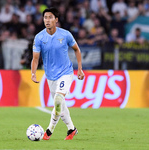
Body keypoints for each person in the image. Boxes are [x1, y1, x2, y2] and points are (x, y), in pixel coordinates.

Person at [31, 7, 84, 140]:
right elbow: (35, 58)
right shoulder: (39, 37)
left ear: (56, 20)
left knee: (58, 100)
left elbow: (77, 50)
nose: (47, 20)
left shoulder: (65, 35)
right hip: (50, 76)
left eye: (50, 17)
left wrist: (80, 69)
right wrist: (33, 73)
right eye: (45, 18)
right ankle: (71, 129)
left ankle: (49, 131)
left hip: (66, 72)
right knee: (60, 105)